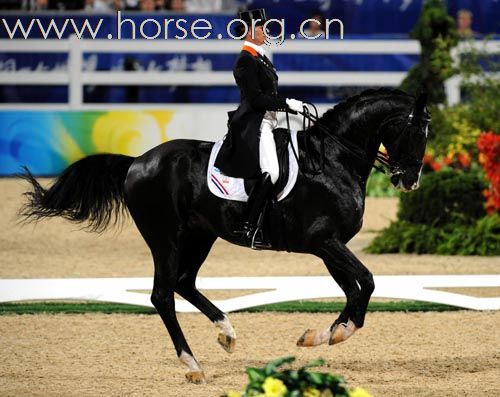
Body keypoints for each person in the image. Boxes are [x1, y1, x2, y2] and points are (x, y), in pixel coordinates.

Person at [214, 8, 304, 248]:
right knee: (272, 172)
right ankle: (249, 226)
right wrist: (287, 104)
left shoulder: (260, 57)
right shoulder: (245, 60)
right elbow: (255, 99)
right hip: (255, 124)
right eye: (262, 28)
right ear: (251, 31)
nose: (266, 32)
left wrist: (288, 106)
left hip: (269, 121)